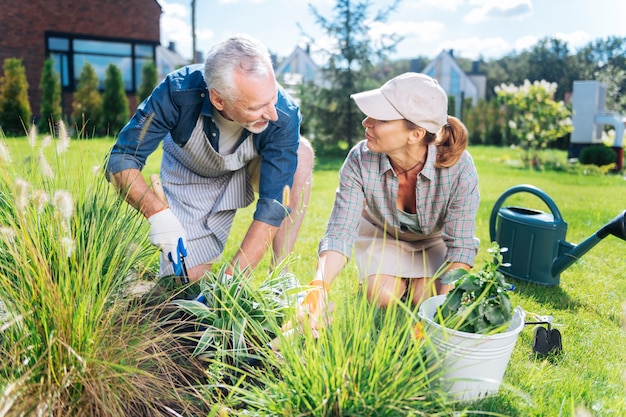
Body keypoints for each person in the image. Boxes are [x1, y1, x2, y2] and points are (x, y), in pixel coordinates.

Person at [105, 34, 314, 281]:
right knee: (185, 283)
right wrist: (157, 213)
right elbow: (122, 158)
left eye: (273, 98)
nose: (272, 114)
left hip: (244, 167)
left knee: (302, 153)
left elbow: (274, 204)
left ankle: (280, 276)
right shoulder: (178, 91)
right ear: (218, 99)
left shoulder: (284, 114)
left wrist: (233, 278)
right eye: (256, 107)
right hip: (190, 171)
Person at [298, 72, 479, 327]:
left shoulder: (459, 169)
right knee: (383, 295)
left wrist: (442, 312)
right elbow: (340, 231)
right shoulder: (360, 158)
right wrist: (318, 286)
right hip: (383, 236)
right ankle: (398, 278)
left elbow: (461, 245)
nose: (365, 122)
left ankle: (417, 282)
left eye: (381, 118)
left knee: (425, 296)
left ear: (415, 134)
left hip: (433, 240)